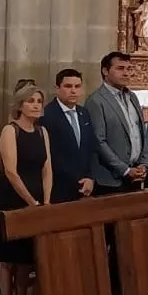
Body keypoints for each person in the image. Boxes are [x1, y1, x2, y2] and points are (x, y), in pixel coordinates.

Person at [0, 85, 51, 295]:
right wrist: (30, 202)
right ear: (20, 105)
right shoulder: (11, 131)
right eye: (30, 101)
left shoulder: (42, 132)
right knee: (9, 258)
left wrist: (45, 201)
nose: (36, 104)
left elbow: (47, 168)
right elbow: (11, 171)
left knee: (26, 258)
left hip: (37, 199)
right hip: (14, 198)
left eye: (39, 100)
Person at [84, 51, 148, 194]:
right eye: (120, 68)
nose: (126, 73)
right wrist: (124, 170)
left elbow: (141, 132)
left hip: (135, 174)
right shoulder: (96, 100)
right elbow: (99, 141)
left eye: (129, 69)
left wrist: (143, 163)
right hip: (111, 178)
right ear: (105, 71)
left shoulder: (132, 97)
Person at [40, 68, 96, 202]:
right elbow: (51, 155)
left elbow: (90, 148)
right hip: (59, 187)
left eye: (77, 86)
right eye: (68, 86)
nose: (73, 91)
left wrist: (90, 178)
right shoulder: (47, 115)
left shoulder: (84, 113)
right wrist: (75, 180)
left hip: (85, 186)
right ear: (57, 88)